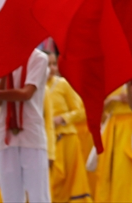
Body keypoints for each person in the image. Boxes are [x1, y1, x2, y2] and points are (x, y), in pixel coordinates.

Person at [0, 48, 51, 203]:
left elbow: (26, 94)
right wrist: (5, 71)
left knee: (39, 196)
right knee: (10, 197)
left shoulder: (39, 58)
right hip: (6, 137)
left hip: (31, 135)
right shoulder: (0, 59)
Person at [46, 53, 92, 203]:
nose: (51, 68)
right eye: (47, 64)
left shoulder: (62, 84)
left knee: (67, 183)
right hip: (44, 141)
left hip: (66, 139)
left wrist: (63, 119)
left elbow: (82, 111)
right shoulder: (32, 88)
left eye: (53, 64)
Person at [95, 84, 132, 203]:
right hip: (114, 131)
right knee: (113, 174)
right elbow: (95, 110)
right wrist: (112, 99)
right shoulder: (110, 78)